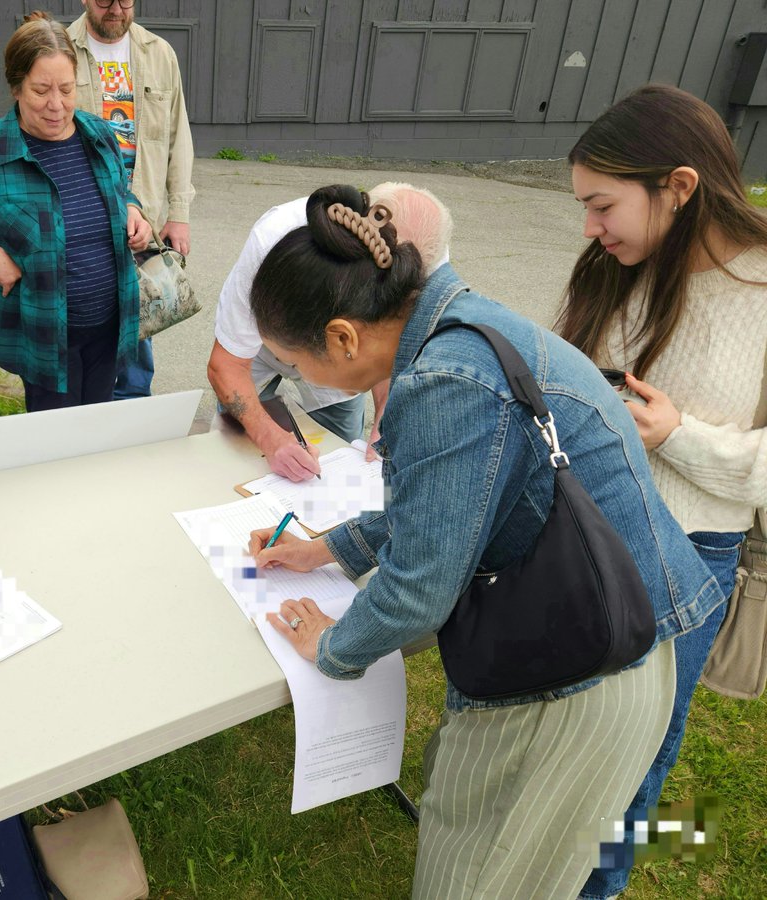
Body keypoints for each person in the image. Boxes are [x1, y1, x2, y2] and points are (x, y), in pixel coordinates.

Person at [246, 184, 722, 898]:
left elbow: (417, 591)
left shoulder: (444, 381)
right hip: (603, 629)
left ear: (343, 337)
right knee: (471, 822)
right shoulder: (460, 326)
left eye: (292, 363)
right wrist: (328, 549)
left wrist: (332, 646)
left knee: (488, 874)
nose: (296, 378)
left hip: (576, 674)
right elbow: (458, 501)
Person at [557, 84, 767, 900]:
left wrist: (677, 435)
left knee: (638, 752)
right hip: (576, 534)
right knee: (555, 723)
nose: (589, 228)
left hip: (687, 559)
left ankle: (596, 887)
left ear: (678, 187)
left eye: (602, 205)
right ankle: (532, 859)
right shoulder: (614, 269)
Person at [0, 12, 152, 413]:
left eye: (66, 89)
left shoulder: (99, 134)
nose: (56, 105)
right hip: (45, 337)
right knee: (56, 442)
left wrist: (134, 211)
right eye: (41, 90)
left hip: (111, 326)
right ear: (16, 87)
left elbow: (119, 191)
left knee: (98, 429)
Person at [207, 182, 451, 480]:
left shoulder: (428, 262)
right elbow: (228, 365)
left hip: (348, 355)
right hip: (260, 345)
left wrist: (386, 413)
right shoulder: (273, 240)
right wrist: (269, 438)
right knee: (236, 446)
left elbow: (387, 344)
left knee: (340, 453)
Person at [68, 0, 196, 399]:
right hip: (85, 218)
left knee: (141, 324)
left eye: (125, 0)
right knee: (87, 323)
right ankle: (86, 406)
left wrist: (179, 213)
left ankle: (134, 406)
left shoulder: (159, 53)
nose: (116, 9)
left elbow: (177, 136)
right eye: (105, 1)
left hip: (145, 222)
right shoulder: (60, 49)